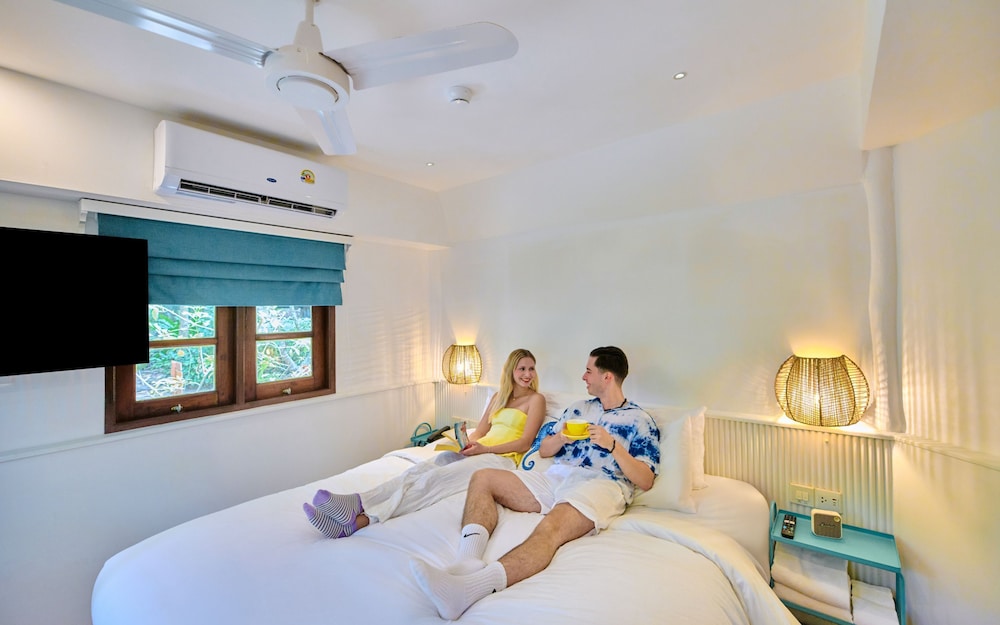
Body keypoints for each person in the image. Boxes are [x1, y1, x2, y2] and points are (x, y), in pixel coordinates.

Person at [409, 346, 660, 620]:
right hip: (557, 476)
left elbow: (646, 480)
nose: (583, 376)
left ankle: (468, 590)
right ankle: (467, 561)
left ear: (607, 377)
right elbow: (544, 450)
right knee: (483, 477)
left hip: (601, 485)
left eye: (589, 371)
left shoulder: (639, 420)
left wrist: (613, 446)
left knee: (550, 527)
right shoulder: (579, 409)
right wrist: (561, 438)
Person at [303, 348, 547, 539]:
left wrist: (485, 449)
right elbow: (481, 431)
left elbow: (524, 443)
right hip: (480, 451)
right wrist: (464, 444)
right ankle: (357, 502)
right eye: (522, 368)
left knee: (435, 480)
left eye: (531, 369)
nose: (527, 374)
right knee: (421, 469)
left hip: (501, 459)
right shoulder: (498, 398)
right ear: (510, 371)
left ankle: (359, 521)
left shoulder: (536, 400)